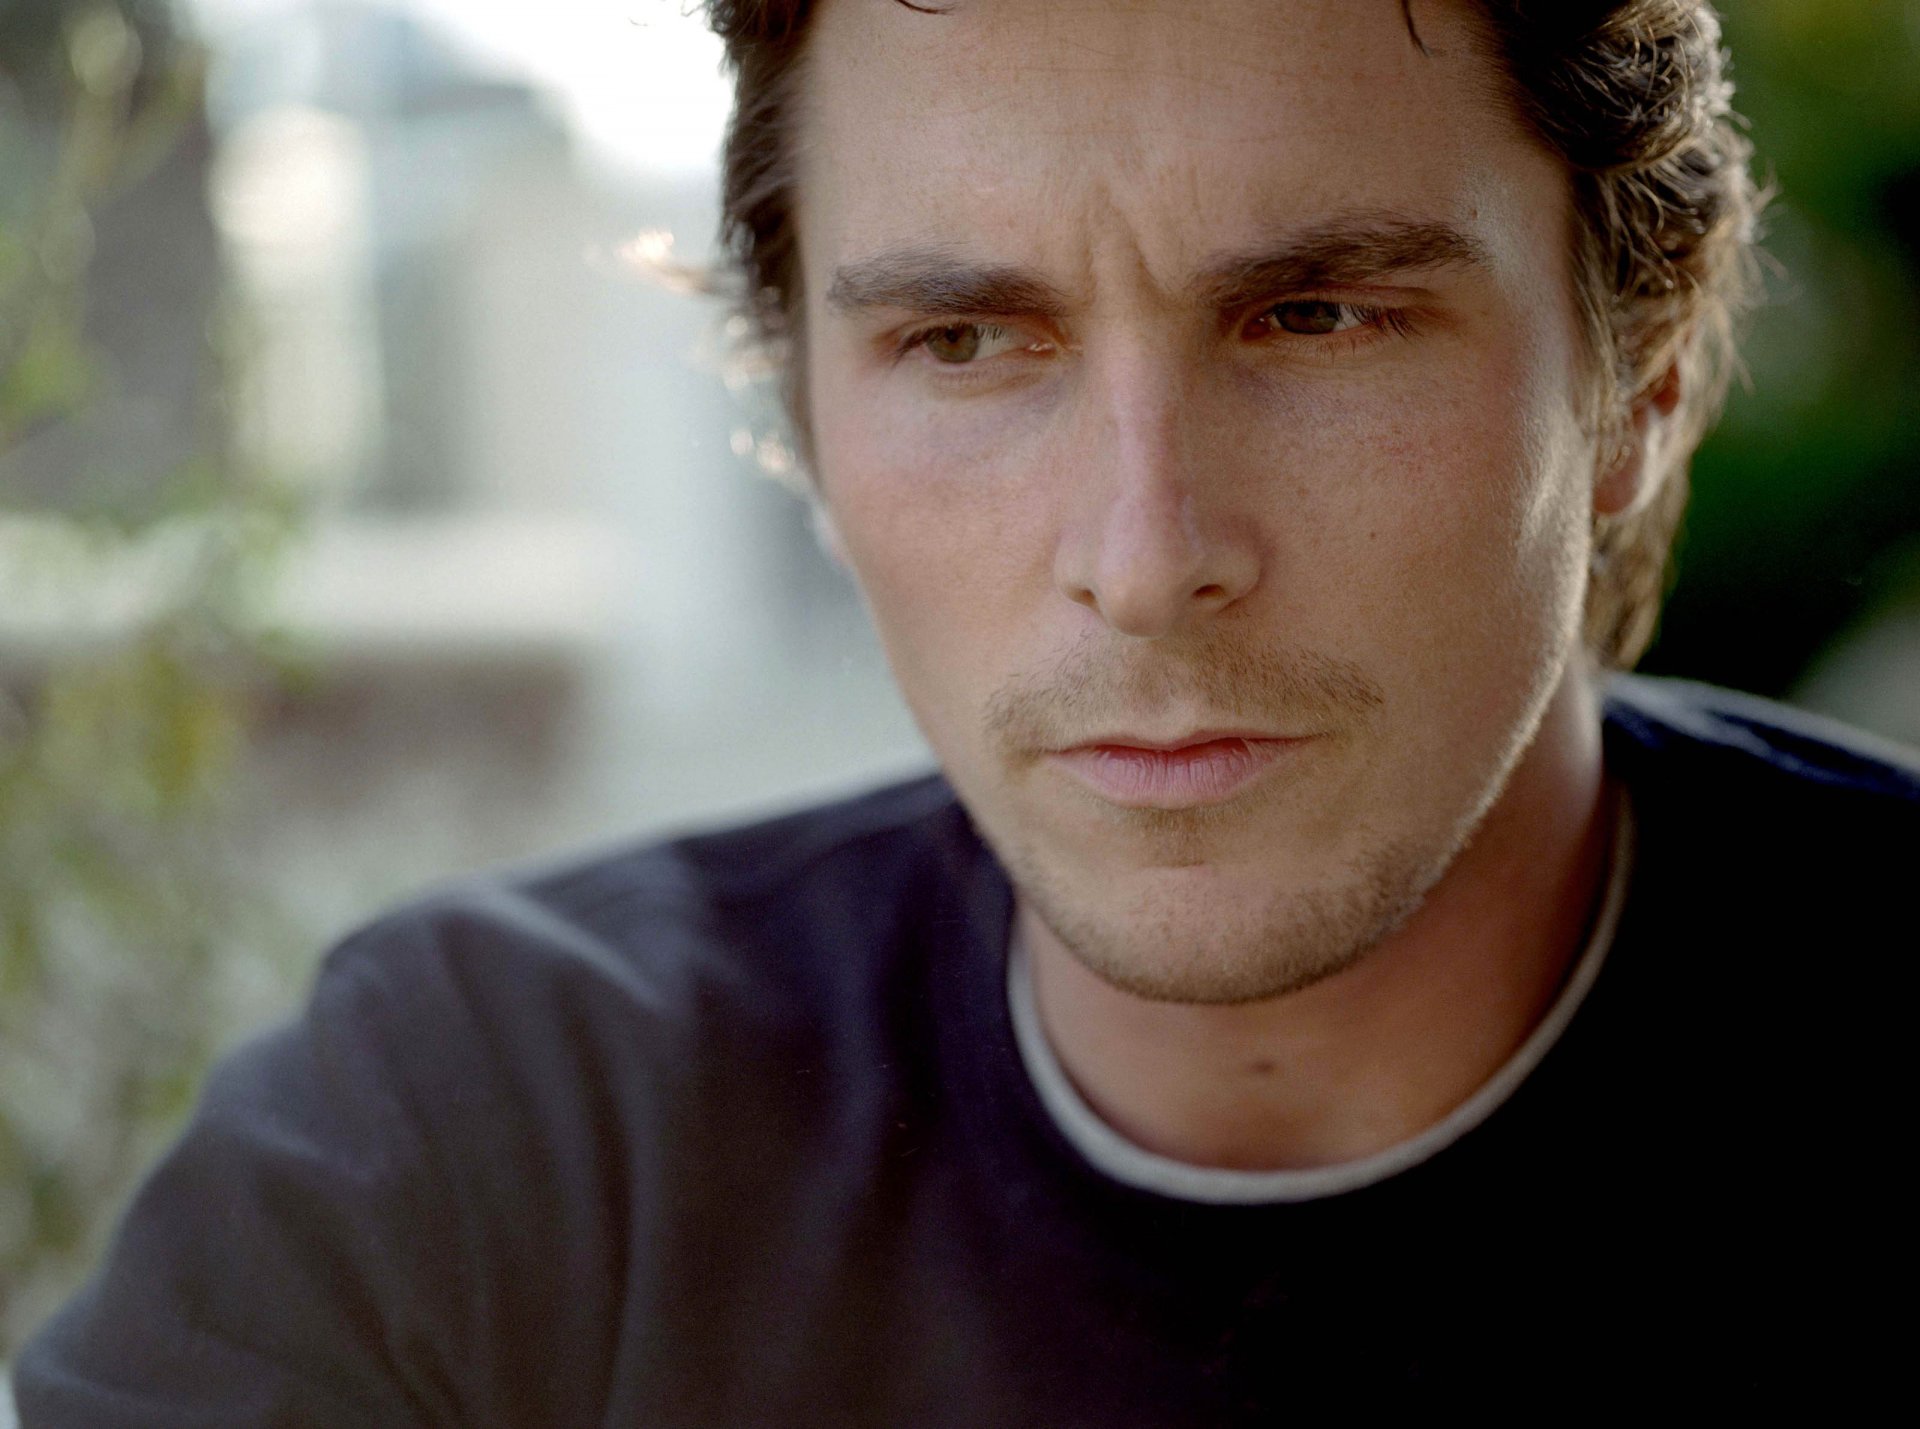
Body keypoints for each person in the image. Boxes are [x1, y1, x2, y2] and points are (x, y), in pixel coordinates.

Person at [15, 0, 1916, 1419]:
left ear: (1641, 376)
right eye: (968, 342)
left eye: (1318, 314)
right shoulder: (475, 1154)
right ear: (801, 417)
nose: (1144, 553)